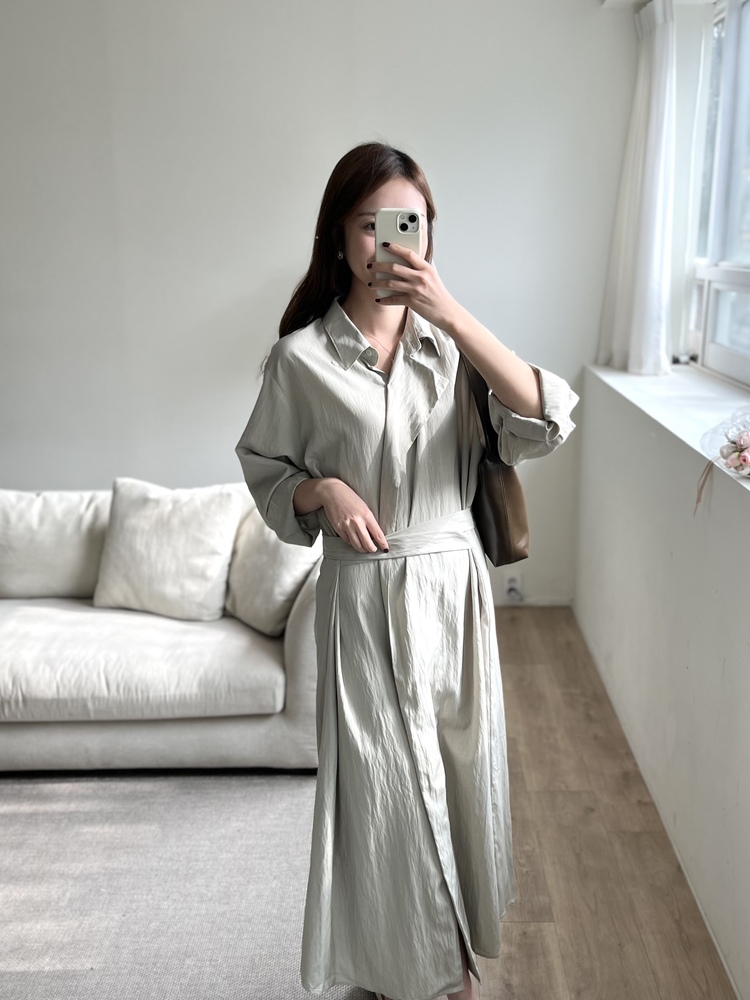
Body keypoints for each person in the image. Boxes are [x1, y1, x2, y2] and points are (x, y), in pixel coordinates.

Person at [235, 141, 579, 1000]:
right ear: (340, 236)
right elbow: (266, 472)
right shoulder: (300, 360)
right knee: (385, 793)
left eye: (409, 224)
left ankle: (427, 960)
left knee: (458, 779)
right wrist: (321, 489)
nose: (389, 242)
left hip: (450, 596)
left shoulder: (453, 347)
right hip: (360, 597)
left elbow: (544, 418)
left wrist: (452, 313)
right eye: (371, 225)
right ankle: (432, 973)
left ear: (428, 233)